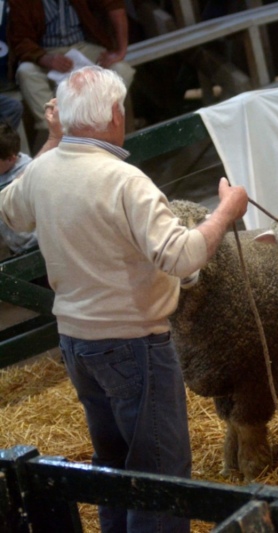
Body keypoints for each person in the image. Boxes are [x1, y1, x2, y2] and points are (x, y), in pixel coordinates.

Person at [0, 66, 248, 533]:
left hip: (76, 341)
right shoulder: (124, 181)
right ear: (115, 113)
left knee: (111, 463)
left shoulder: (43, 171)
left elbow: (10, 212)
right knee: (160, 473)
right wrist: (225, 213)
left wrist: (54, 140)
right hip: (133, 341)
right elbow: (182, 255)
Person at [7, 0, 136, 148]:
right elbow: (19, 39)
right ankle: (53, 128)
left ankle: (94, 121)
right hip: (45, 51)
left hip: (82, 47)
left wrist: (121, 49)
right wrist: (44, 58)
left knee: (121, 69)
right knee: (25, 71)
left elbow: (114, 6)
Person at [0, 99, 61, 259]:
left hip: (40, 248)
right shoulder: (3, 170)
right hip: (17, 249)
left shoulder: (31, 170)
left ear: (11, 158)